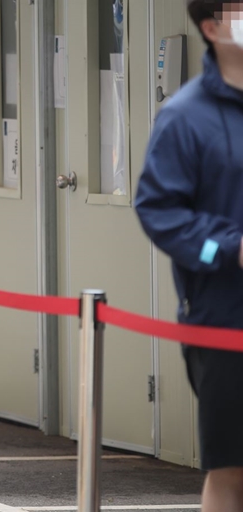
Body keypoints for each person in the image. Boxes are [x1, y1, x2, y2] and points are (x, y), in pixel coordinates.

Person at [134, 2, 243, 511]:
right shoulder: (184, 116)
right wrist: (227, 248)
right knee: (232, 468)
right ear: (212, 26)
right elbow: (158, 210)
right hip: (222, 320)